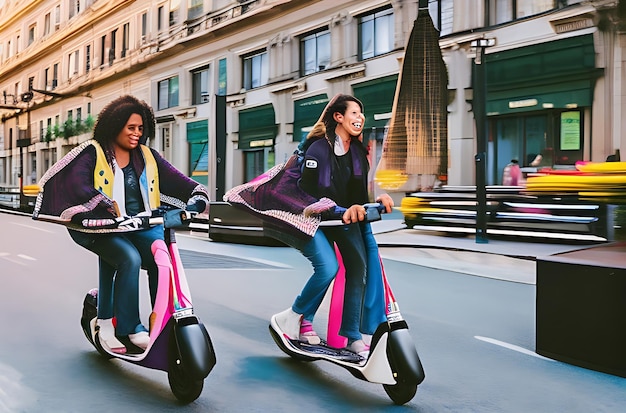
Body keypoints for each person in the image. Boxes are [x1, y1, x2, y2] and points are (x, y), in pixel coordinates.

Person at [32, 95, 209, 354]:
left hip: (137, 226)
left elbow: (178, 181)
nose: (137, 134)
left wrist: (197, 197)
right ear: (115, 125)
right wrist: (101, 204)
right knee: (128, 258)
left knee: (162, 262)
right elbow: (74, 183)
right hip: (95, 226)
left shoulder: (148, 156)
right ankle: (122, 326)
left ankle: (163, 322)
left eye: (140, 128)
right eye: (131, 128)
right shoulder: (92, 151)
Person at [226, 94, 393, 357]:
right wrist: (343, 209)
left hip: (337, 217)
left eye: (362, 113)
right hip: (304, 217)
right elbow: (309, 194)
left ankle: (350, 335)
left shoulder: (359, 151)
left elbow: (357, 195)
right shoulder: (319, 149)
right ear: (338, 117)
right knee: (328, 267)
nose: (360, 118)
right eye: (354, 113)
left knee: (359, 266)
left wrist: (375, 202)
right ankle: (293, 315)